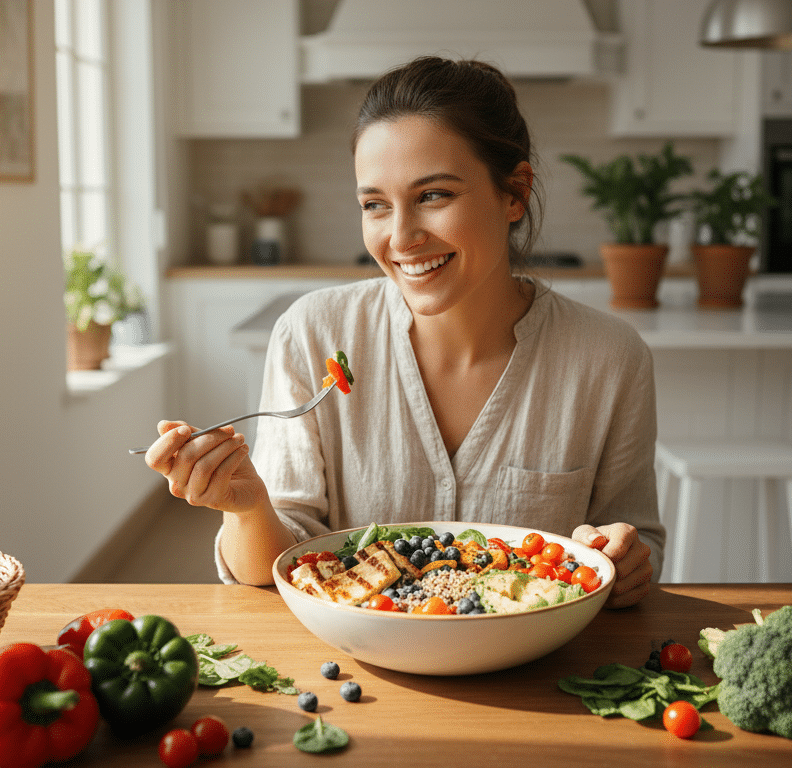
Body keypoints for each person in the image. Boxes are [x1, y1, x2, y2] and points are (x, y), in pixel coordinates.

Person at [145, 56, 664, 609]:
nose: (401, 237)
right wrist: (248, 508)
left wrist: (624, 557)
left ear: (513, 193)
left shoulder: (609, 358)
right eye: (375, 205)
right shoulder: (313, 335)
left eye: (433, 196)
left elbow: (637, 545)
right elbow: (278, 566)